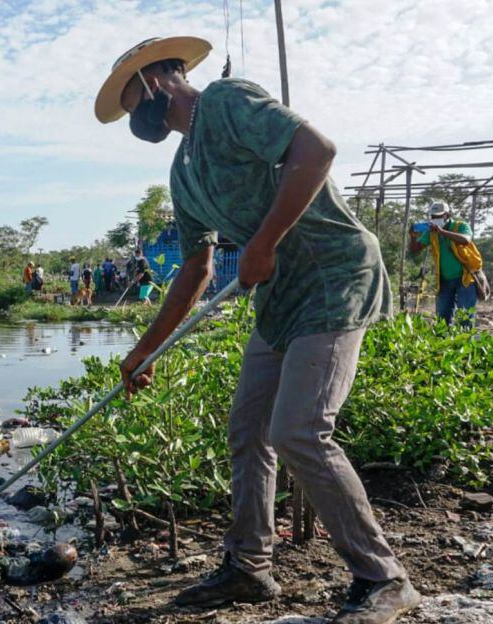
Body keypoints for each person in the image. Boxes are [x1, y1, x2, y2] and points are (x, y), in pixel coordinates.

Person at [96, 37, 416, 624]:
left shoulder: (224, 100)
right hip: (279, 294)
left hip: (333, 274)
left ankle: (384, 577)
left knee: (298, 429)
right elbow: (196, 266)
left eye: (128, 96)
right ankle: (249, 568)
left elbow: (316, 149)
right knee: (248, 428)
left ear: (159, 79)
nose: (129, 114)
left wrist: (263, 242)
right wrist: (146, 351)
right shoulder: (183, 173)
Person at [408, 202, 478, 327]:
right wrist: (413, 236)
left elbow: (466, 239)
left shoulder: (460, 226)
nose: (435, 219)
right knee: (443, 318)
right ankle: (444, 343)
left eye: (438, 216)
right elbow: (414, 249)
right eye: (433, 217)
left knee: (465, 318)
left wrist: (442, 232)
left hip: (465, 278)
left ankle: (465, 342)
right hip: (444, 280)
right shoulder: (431, 232)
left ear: (447, 215)